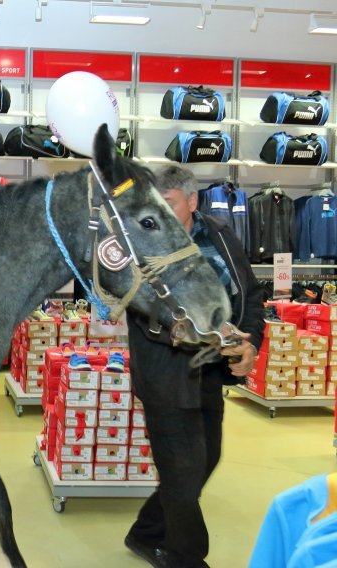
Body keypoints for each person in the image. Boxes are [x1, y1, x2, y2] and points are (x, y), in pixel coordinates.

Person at [124, 165, 265, 568]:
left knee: (207, 459)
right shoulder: (142, 242)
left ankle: (147, 531)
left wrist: (250, 341)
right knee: (182, 471)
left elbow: (251, 293)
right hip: (165, 375)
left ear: (192, 201)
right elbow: (143, 312)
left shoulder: (219, 234)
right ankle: (184, 558)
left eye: (167, 203)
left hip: (209, 372)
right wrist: (203, 332)